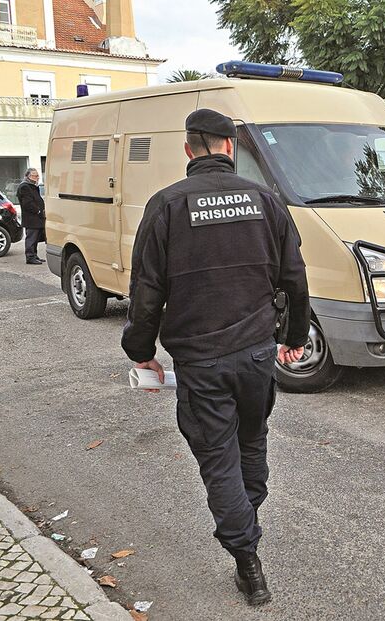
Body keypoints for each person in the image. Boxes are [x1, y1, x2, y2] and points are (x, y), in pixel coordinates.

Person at [121, 109, 310, 606]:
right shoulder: (267, 201)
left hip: (202, 364)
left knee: (219, 460)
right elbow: (294, 276)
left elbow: (146, 291)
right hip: (255, 356)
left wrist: (140, 352)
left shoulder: (165, 206)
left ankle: (247, 560)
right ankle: (247, 520)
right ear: (230, 148)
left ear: (189, 149)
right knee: (251, 443)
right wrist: (294, 336)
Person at [16, 168, 46, 264]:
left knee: (35, 238)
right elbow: (27, 203)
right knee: (31, 238)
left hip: (37, 218)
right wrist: (38, 211)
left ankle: (34, 255)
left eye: (37, 175)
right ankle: (30, 257)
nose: (37, 177)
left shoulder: (32, 186)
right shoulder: (25, 187)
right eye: (35, 176)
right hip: (31, 218)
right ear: (28, 176)